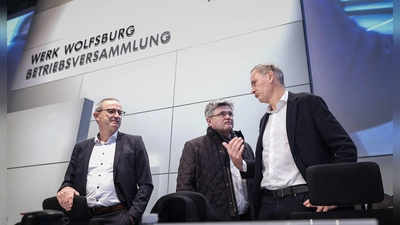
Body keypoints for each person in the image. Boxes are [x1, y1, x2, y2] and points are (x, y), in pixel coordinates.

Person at [249, 63, 358, 220]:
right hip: (268, 204)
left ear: (270, 76)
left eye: (254, 83)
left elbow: (345, 149)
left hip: (303, 201)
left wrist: (333, 191)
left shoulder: (308, 103)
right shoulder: (264, 120)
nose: (252, 90)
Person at [56, 98, 153, 225]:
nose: (117, 116)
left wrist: (132, 216)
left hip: (120, 217)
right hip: (84, 217)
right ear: (97, 116)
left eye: (120, 112)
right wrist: (66, 188)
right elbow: (69, 181)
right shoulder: (81, 148)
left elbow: (146, 184)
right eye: (111, 111)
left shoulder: (134, 143)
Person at [176, 99, 255, 221]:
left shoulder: (245, 146)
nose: (228, 117)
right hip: (214, 219)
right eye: (222, 114)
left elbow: (256, 180)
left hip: (249, 218)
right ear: (209, 121)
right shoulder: (194, 146)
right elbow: (184, 188)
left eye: (230, 114)